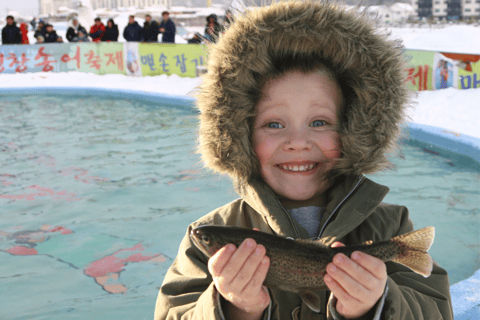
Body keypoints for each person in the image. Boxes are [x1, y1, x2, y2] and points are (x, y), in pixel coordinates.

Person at [155, 2, 453, 320]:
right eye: (274, 124)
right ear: (241, 135)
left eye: (319, 122)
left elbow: (435, 310)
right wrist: (233, 308)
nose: (297, 143)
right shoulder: (202, 237)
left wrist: (375, 306)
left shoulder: (390, 227)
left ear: (354, 130)